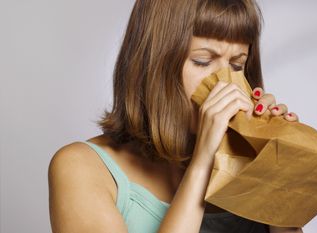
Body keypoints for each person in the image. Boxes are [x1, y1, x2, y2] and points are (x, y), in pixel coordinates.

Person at [48, 0, 303, 232]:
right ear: (154, 64)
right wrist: (202, 164)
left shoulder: (246, 168)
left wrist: (274, 171)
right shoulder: (81, 167)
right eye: (203, 61)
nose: (226, 84)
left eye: (237, 65)